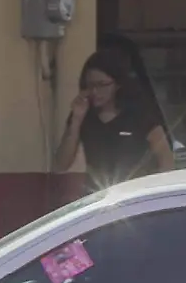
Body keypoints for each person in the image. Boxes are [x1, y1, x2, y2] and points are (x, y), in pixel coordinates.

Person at [53, 50, 175, 191]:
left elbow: (166, 159)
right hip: (96, 194)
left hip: (135, 194)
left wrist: (155, 191)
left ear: (118, 84)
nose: (95, 92)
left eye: (102, 84)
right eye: (90, 85)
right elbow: (61, 164)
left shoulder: (140, 113)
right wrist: (76, 120)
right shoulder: (83, 114)